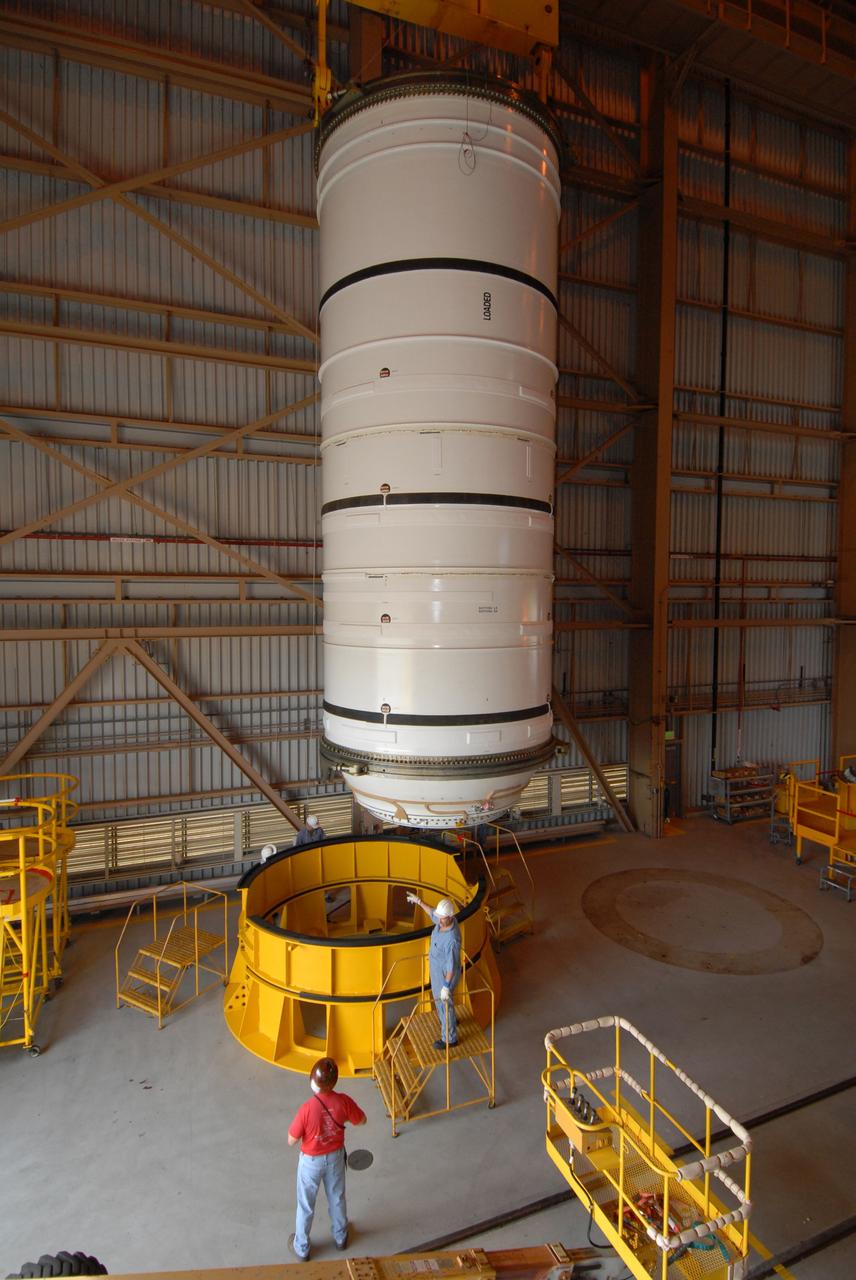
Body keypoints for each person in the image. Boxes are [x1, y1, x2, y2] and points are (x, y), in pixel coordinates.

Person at [287, 1057, 366, 1261]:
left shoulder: (307, 1108)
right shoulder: (343, 1101)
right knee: (337, 1197)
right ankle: (341, 1237)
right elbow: (362, 1120)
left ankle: (302, 1247)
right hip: (335, 1158)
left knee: (306, 1204)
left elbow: (291, 1139)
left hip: (311, 1162)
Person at [407, 892, 461, 1051]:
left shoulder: (451, 939)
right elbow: (432, 912)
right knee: (445, 1005)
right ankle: (450, 1021)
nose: (439, 919)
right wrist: (419, 901)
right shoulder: (445, 921)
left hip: (445, 975)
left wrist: (445, 986)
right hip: (438, 969)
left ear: (450, 917)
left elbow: (451, 966)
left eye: (442, 917)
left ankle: (450, 1039)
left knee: (443, 1003)